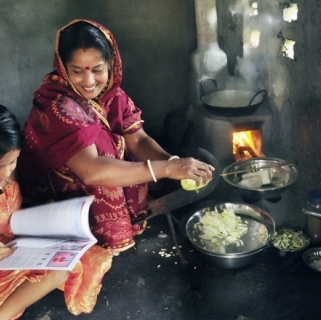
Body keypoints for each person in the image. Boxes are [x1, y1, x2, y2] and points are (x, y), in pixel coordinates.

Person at [18, 19, 214, 255]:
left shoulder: (113, 94)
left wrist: (174, 163)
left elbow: (138, 140)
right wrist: (167, 169)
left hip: (91, 176)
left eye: (98, 70)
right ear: (63, 67)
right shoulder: (58, 106)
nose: (89, 82)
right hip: (58, 196)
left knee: (119, 146)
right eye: (77, 72)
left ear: (111, 63)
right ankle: (96, 234)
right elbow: (92, 171)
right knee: (104, 148)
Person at [0, 105, 112, 319]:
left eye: (12, 162)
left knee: (64, 267)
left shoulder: (9, 175)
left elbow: (14, 209)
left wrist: (46, 217)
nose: (6, 173)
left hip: (16, 251)